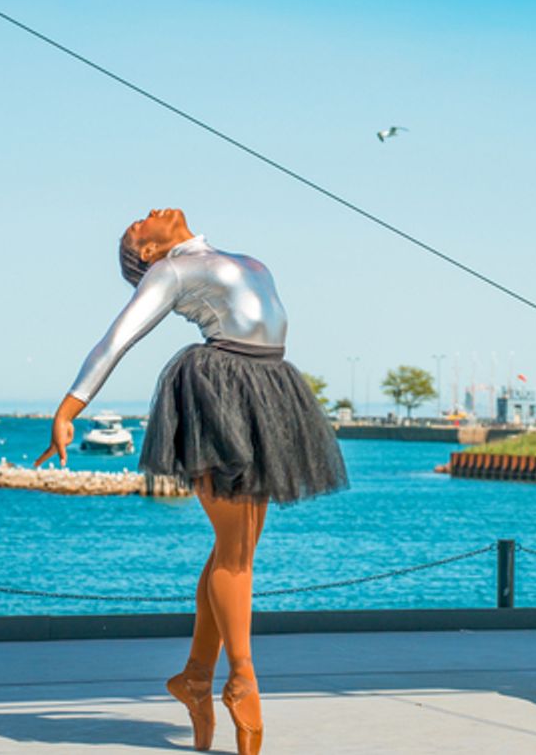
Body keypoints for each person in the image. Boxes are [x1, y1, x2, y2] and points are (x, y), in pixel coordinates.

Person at [36, 209, 348, 754]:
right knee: (237, 553)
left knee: (238, 547)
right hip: (218, 391)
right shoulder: (171, 272)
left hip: (267, 388)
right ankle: (243, 679)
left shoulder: (236, 256)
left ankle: (196, 676)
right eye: (134, 230)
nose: (143, 217)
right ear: (149, 254)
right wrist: (69, 409)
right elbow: (116, 341)